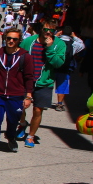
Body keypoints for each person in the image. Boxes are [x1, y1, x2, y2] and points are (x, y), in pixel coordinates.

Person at [0, 27, 34, 157]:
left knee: (12, 121)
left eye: (14, 39)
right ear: (4, 38)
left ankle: (11, 138)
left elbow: (29, 78)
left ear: (19, 40)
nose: (11, 41)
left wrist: (28, 96)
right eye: (8, 38)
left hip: (16, 96)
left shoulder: (25, 57)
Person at [16, 19, 65, 147]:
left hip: (44, 82)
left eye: (51, 31)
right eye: (46, 29)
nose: (48, 33)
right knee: (20, 107)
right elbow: (18, 56)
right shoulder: (29, 41)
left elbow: (58, 63)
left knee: (38, 110)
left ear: (55, 32)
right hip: (25, 80)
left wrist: (49, 49)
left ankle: (31, 136)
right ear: (41, 29)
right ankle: (22, 124)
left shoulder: (59, 44)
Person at [53, 26, 84, 112]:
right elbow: (82, 45)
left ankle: (44, 102)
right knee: (62, 85)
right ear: (71, 33)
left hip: (53, 66)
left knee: (48, 84)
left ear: (61, 32)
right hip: (66, 68)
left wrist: (56, 35)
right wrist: (75, 36)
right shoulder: (74, 44)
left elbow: (47, 43)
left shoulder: (55, 40)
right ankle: (59, 104)